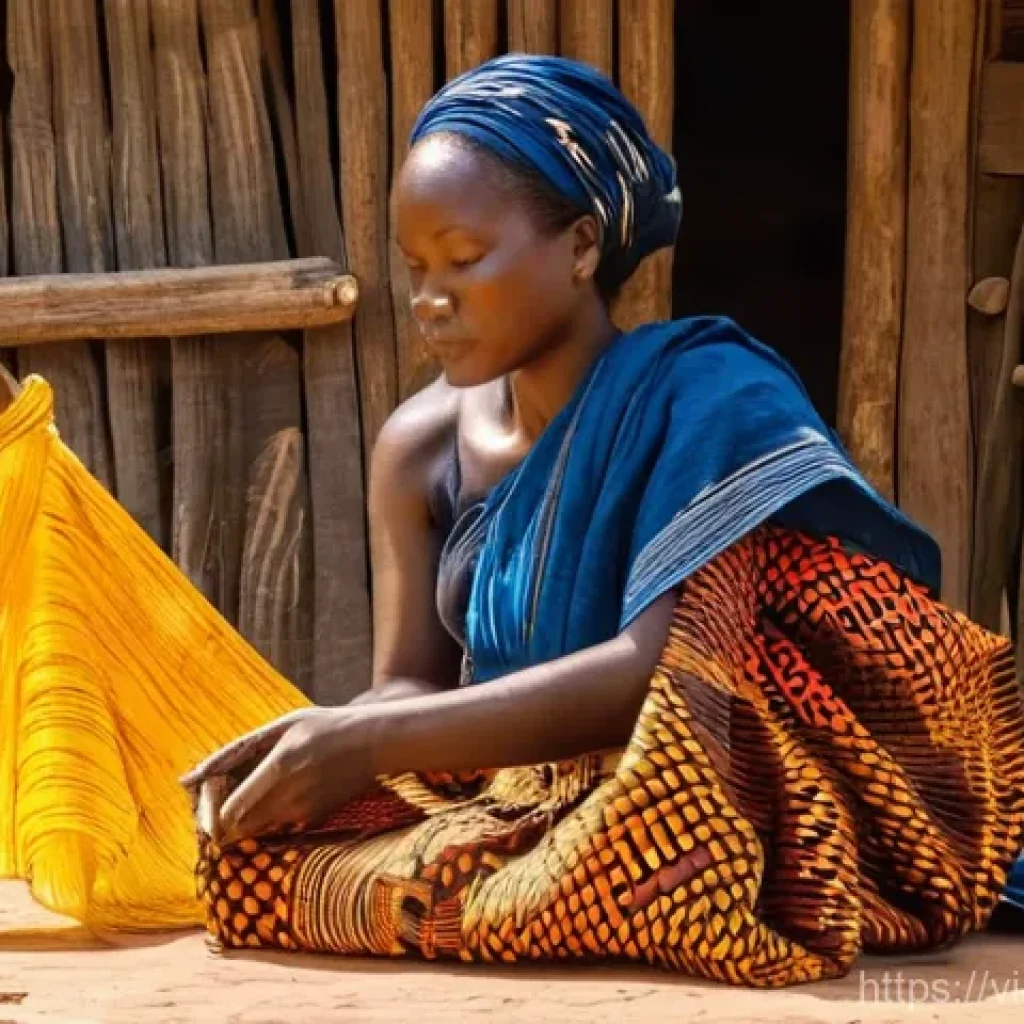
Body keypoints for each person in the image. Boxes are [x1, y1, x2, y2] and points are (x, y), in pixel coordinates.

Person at [1, 55, 1021, 986]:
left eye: (463, 257)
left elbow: (652, 674)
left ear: (581, 245)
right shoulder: (419, 443)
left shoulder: (704, 398)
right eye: (413, 268)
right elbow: (407, 684)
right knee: (251, 865)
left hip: (688, 776)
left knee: (640, 847)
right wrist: (313, 747)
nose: (429, 299)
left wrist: (362, 744)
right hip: (512, 797)